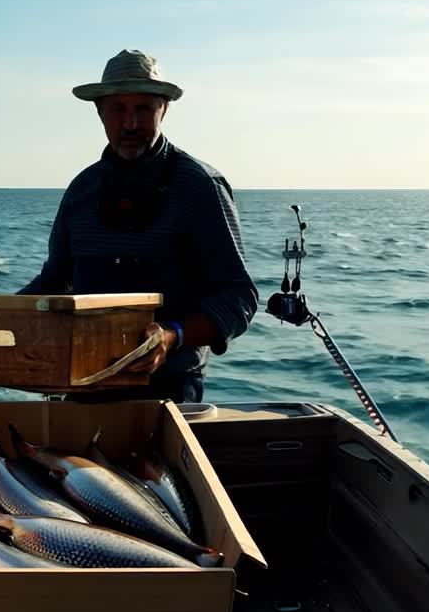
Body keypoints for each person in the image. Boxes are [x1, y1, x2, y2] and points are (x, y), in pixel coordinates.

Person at [18, 49, 259, 403]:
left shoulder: (200, 186)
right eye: (118, 109)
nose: (130, 123)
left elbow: (239, 297)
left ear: (164, 108)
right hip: (84, 382)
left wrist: (171, 334)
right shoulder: (81, 191)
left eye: (143, 109)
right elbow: (55, 282)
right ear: (99, 111)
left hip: (170, 390)